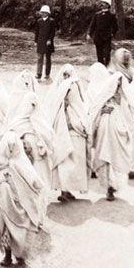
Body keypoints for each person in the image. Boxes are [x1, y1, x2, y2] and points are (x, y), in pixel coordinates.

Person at [0, 131, 47, 267]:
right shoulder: (21, 163)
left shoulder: (0, 165)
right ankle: (17, 256)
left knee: (6, 230)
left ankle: (10, 256)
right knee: (19, 230)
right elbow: (36, 183)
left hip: (7, 208)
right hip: (19, 207)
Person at [87, 62, 134, 201]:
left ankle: (114, 185)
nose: (119, 90)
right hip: (105, 128)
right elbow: (92, 110)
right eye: (118, 86)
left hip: (118, 130)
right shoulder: (103, 97)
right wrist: (102, 112)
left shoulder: (124, 101)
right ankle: (109, 186)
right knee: (105, 155)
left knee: (116, 156)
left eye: (121, 87)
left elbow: (130, 115)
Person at [47, 64, 91, 200]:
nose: (66, 77)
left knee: (75, 160)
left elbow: (78, 105)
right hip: (63, 127)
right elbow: (53, 108)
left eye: (68, 75)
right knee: (64, 158)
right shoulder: (64, 87)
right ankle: (64, 190)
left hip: (74, 126)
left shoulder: (73, 85)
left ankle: (67, 190)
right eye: (64, 75)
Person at [7, 91, 56, 202]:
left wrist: (41, 144)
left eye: (33, 105)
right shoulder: (18, 122)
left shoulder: (41, 122)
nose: (31, 107)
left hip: (39, 161)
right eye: (29, 104)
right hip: (24, 162)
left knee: (40, 184)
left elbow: (49, 139)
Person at [88, 0, 118, 66]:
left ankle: (107, 68)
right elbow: (92, 25)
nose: (102, 4)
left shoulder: (111, 16)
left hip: (107, 38)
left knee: (107, 54)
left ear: (108, 5)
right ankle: (101, 70)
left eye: (104, 3)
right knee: (99, 55)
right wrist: (89, 34)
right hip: (98, 38)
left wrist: (112, 34)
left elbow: (115, 27)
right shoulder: (97, 15)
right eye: (102, 3)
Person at [34, 5, 57, 81]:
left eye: (45, 12)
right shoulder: (39, 21)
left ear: (48, 13)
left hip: (48, 43)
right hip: (40, 42)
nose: (44, 14)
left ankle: (47, 74)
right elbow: (36, 32)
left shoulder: (51, 21)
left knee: (48, 59)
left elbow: (52, 32)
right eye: (42, 12)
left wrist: (50, 39)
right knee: (39, 58)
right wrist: (35, 41)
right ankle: (39, 74)